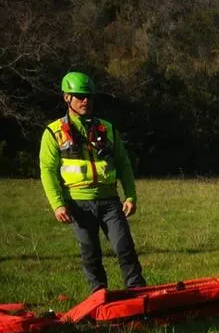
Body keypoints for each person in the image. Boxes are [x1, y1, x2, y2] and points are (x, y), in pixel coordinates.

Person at [40, 72, 145, 293]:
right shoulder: (53, 132)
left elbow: (123, 164)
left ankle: (139, 294)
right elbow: (47, 171)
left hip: (110, 201)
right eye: (79, 96)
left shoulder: (107, 129)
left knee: (125, 248)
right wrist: (57, 204)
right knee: (91, 254)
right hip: (78, 204)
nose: (85, 100)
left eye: (89, 96)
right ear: (67, 97)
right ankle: (99, 298)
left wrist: (130, 195)